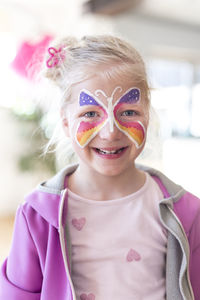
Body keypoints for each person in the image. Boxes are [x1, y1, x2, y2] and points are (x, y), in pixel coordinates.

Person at [0, 35, 199, 300]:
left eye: (128, 112)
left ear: (148, 115)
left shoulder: (186, 212)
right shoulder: (37, 216)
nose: (110, 132)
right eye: (90, 113)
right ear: (67, 122)